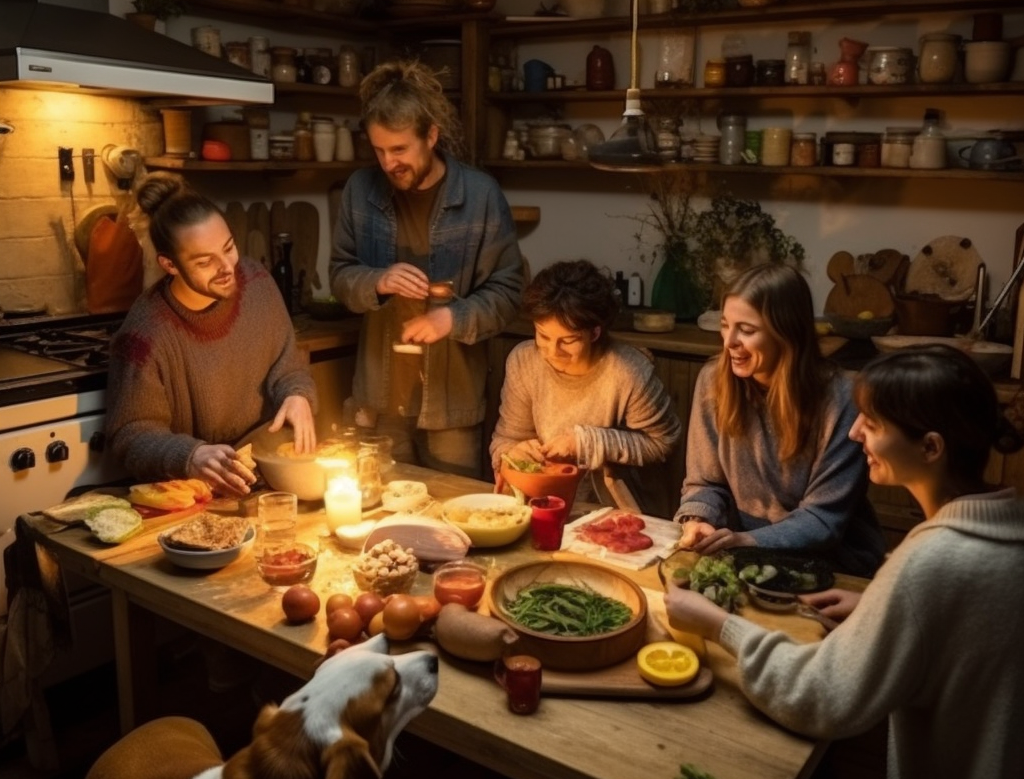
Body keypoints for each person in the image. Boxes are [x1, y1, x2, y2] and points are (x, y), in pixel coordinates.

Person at [666, 344, 1024, 779]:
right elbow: (965, 627)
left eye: (873, 424)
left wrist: (716, 624)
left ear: (931, 448)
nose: (856, 433)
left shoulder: (932, 562)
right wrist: (881, 607)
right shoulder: (1004, 533)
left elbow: (820, 697)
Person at [329, 60, 523, 478]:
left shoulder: (480, 195)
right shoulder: (360, 191)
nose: (387, 163)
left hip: (451, 404)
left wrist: (453, 317)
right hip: (379, 400)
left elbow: (508, 291)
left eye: (399, 149)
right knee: (382, 518)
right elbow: (341, 275)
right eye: (379, 150)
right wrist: (376, 280)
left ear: (431, 136)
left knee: (455, 522)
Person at [106, 174, 317, 496]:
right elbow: (130, 436)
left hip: (268, 480)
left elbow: (287, 365)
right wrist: (189, 455)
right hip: (195, 493)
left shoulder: (257, 282)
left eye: (229, 248)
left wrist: (297, 394)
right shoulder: (145, 334)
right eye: (205, 261)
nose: (227, 268)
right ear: (170, 265)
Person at [675, 262, 885, 575]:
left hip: (833, 564)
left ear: (786, 333)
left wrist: (746, 541)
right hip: (749, 554)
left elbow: (822, 520)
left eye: (746, 330)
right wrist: (698, 519)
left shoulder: (840, 399)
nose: (729, 341)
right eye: (725, 325)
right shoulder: (713, 381)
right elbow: (705, 482)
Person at [490, 260, 682, 514]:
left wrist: (589, 442)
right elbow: (506, 439)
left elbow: (664, 442)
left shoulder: (628, 371)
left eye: (568, 341)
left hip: (612, 512)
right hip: (541, 504)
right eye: (543, 336)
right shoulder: (525, 361)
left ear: (594, 333)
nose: (552, 352)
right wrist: (512, 453)